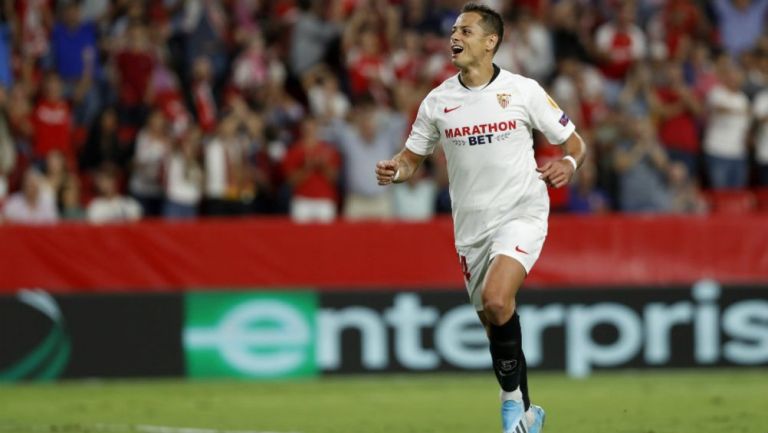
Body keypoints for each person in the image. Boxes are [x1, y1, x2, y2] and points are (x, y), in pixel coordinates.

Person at [375, 4, 587, 433]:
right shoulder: (437, 102)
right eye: (454, 30)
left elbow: (574, 140)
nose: (455, 36)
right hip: (471, 230)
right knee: (496, 322)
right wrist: (395, 169)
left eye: (466, 30)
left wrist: (568, 162)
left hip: (522, 212)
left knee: (496, 299)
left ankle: (510, 407)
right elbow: (412, 159)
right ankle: (529, 415)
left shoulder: (523, 90)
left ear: (491, 41)